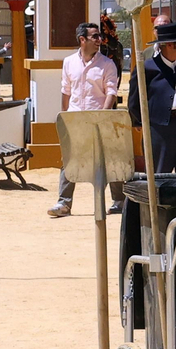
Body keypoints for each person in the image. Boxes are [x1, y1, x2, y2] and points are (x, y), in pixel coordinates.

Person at [47, 22, 122, 218]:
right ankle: (64, 203)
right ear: (82, 40)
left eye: (100, 36)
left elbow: (111, 91)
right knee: (69, 160)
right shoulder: (69, 62)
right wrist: (64, 117)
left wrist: (103, 116)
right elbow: (66, 91)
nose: (100, 40)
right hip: (75, 119)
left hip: (99, 119)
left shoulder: (107, 64)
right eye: (95, 36)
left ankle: (119, 201)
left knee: (110, 160)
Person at [131, 20, 176, 173]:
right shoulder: (147, 68)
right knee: (159, 174)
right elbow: (135, 98)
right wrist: (139, 121)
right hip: (159, 130)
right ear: (169, 45)